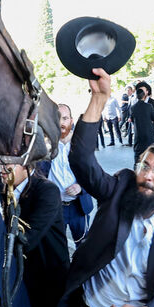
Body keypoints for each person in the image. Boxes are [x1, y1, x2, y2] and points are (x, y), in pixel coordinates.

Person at [51, 67, 154, 307]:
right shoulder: (119, 186)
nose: (147, 176)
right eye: (144, 166)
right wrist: (99, 97)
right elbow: (81, 160)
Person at [0, 163, 69, 307]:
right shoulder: (8, 189)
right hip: (27, 273)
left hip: (51, 272)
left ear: (27, 165)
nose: (1, 168)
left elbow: (28, 237)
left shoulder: (47, 190)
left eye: (7, 163)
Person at [47, 104, 93, 246]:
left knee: (83, 245)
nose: (61, 122)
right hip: (55, 208)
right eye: (57, 118)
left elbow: (93, 176)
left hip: (77, 207)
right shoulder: (45, 146)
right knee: (56, 246)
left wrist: (81, 187)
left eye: (65, 118)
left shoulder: (82, 145)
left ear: (71, 121)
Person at [131, 88, 154, 167]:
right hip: (149, 134)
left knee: (137, 155)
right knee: (150, 153)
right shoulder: (149, 106)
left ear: (136, 96)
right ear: (144, 96)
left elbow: (131, 119)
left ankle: (136, 171)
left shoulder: (133, 107)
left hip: (138, 134)